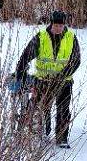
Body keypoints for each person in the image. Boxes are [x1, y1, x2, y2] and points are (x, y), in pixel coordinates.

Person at [15, 10, 81, 148]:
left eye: (60, 25)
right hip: (43, 80)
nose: (58, 28)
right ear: (51, 24)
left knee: (63, 109)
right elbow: (27, 54)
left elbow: (76, 60)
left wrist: (61, 75)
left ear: (64, 25)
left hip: (64, 81)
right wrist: (19, 72)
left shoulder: (71, 37)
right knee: (35, 106)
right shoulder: (41, 37)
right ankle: (27, 131)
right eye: (55, 25)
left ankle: (62, 138)